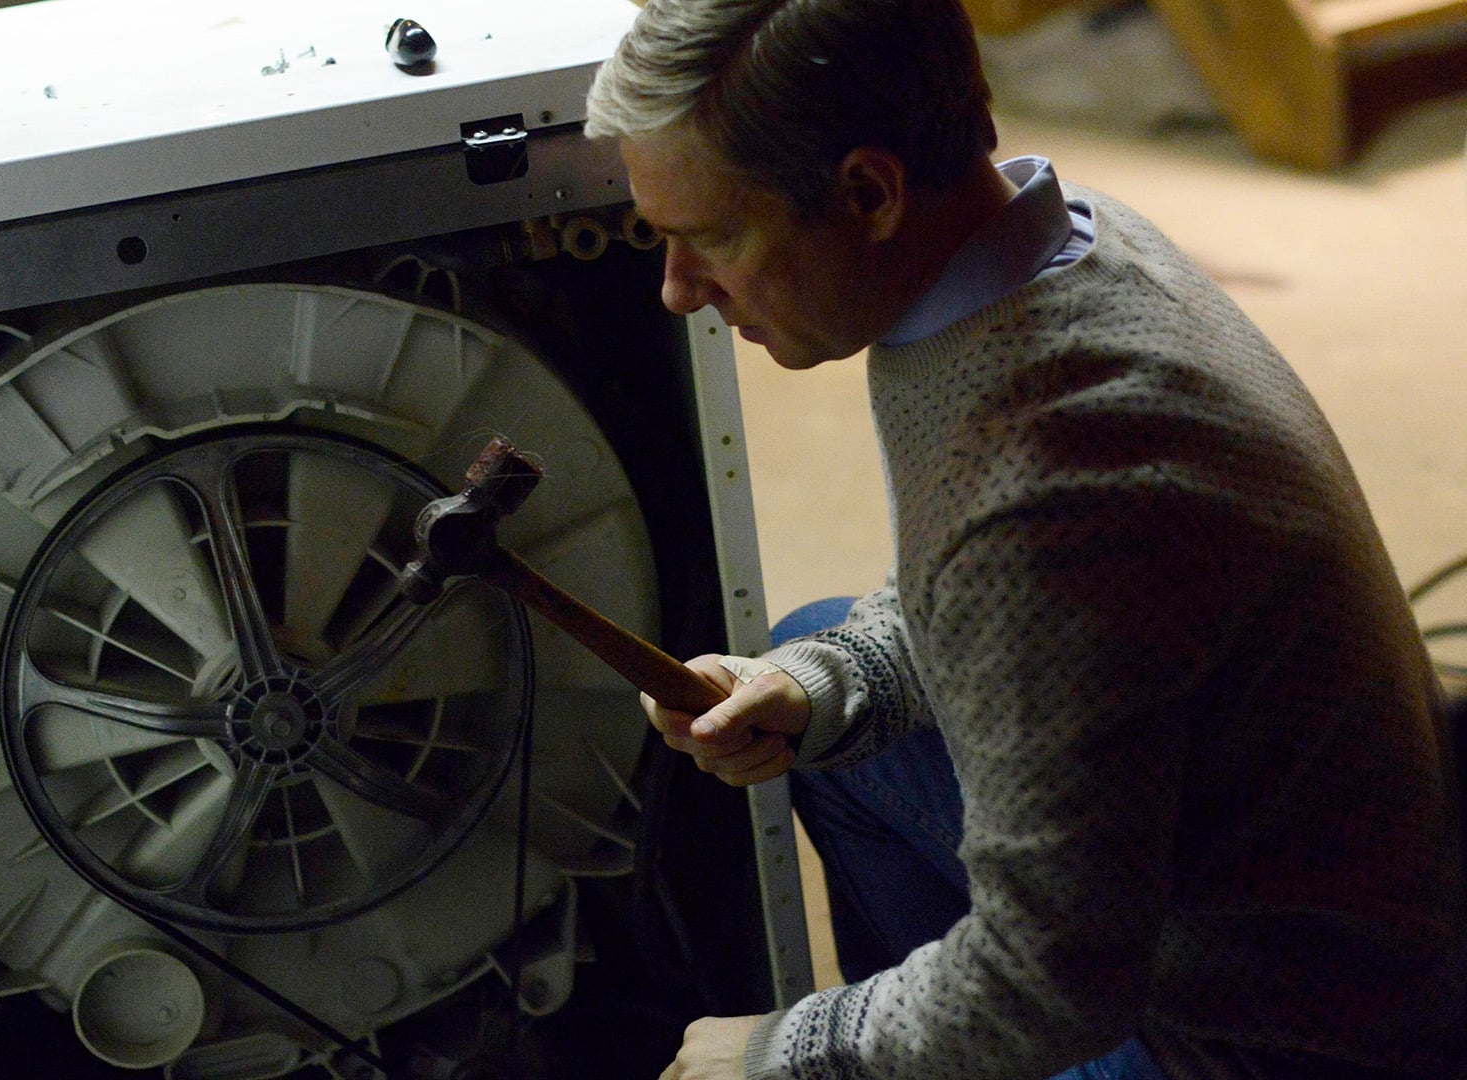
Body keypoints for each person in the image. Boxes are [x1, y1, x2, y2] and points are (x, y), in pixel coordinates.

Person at [583, 0, 1467, 1077]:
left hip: (1276, 1039)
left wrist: (791, 1053)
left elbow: (1046, 982)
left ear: (869, 194)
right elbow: (1020, 607)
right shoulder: (1069, 235)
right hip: (1341, 896)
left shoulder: (1047, 482)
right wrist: (833, 682)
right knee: (819, 661)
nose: (678, 291)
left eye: (713, 237)